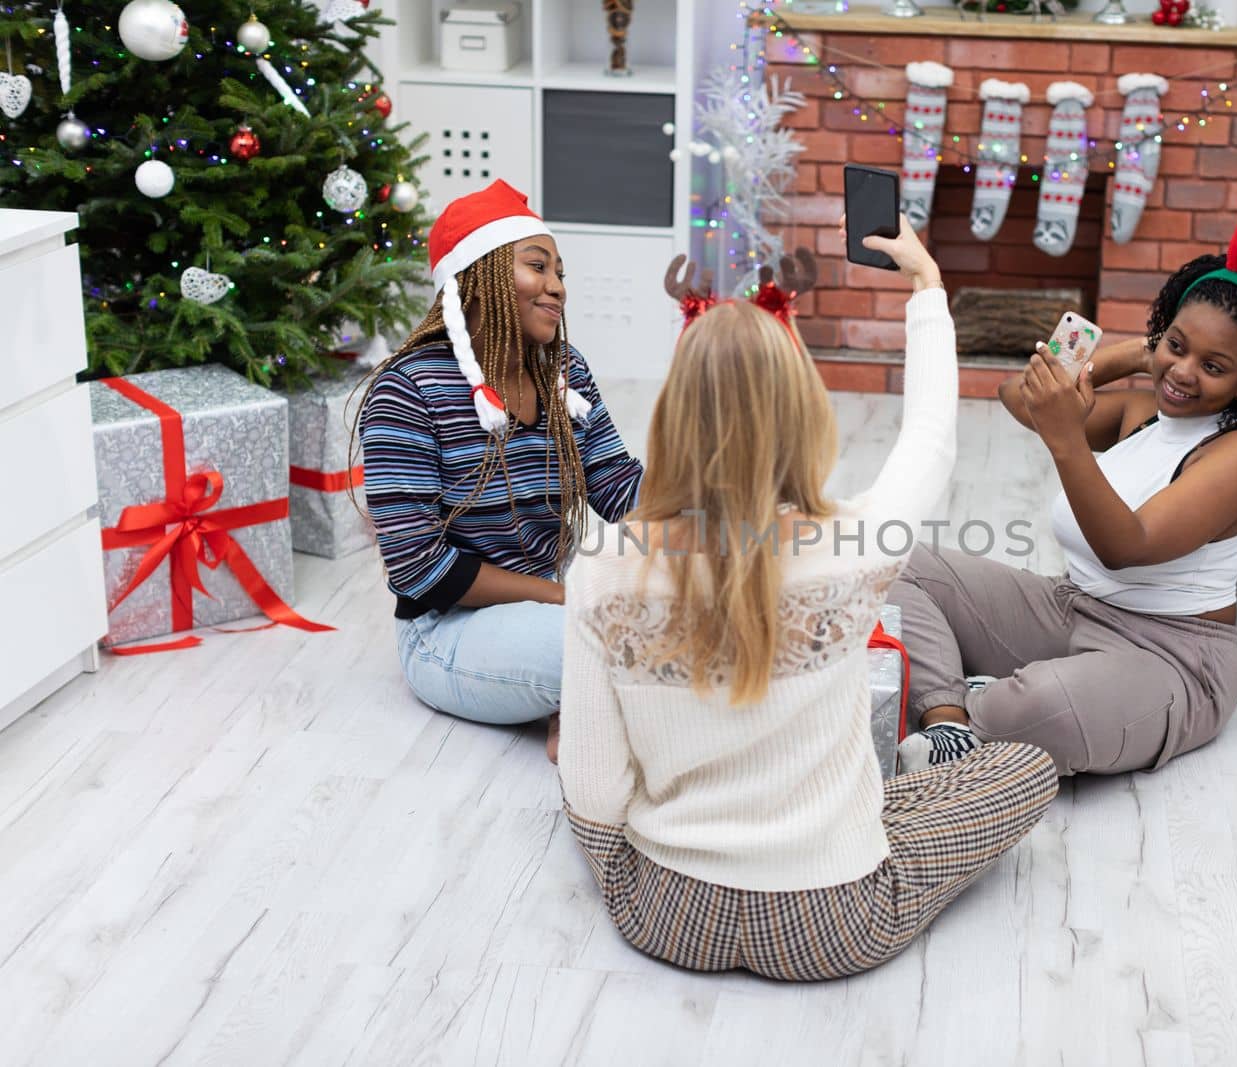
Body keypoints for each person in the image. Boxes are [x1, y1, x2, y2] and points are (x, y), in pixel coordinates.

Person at [557, 217, 1058, 982]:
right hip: (833, 919)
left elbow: (594, 793)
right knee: (1023, 768)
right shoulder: (858, 544)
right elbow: (931, 439)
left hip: (661, 911)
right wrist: (927, 287)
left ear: (674, 412)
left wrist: (639, 870)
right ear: (802, 413)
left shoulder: (602, 563)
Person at [892, 145, 1237, 777]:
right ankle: (950, 723)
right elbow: (1020, 399)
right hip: (1071, 607)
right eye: (1176, 347)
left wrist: (1069, 437)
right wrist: (1127, 354)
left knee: (1045, 704)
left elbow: (1126, 544)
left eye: (1213, 366)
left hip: (1172, 655)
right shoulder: (1142, 410)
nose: (1183, 374)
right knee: (900, 560)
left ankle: (979, 707)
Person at [356, 180, 643, 740]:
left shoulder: (564, 371)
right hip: (447, 631)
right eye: (538, 267)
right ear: (480, 276)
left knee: (679, 626)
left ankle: (588, 723)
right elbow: (421, 569)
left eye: (561, 273)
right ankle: (594, 732)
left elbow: (614, 484)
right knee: (620, 647)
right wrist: (569, 600)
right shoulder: (408, 389)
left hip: (546, 608)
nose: (556, 288)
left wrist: (709, 502)